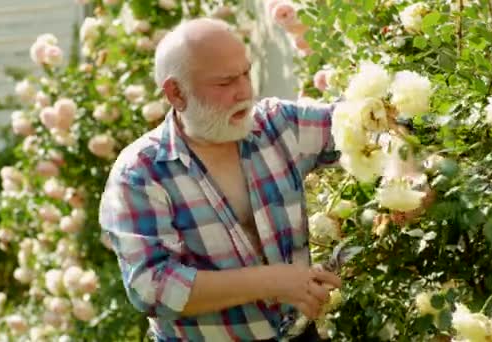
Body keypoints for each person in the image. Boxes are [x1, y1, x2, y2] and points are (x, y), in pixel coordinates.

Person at [99, 17, 342, 342]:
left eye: (246, 73)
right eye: (225, 82)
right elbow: (151, 287)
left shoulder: (276, 125)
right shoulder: (140, 173)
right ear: (176, 92)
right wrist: (271, 281)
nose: (244, 91)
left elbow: (356, 123)